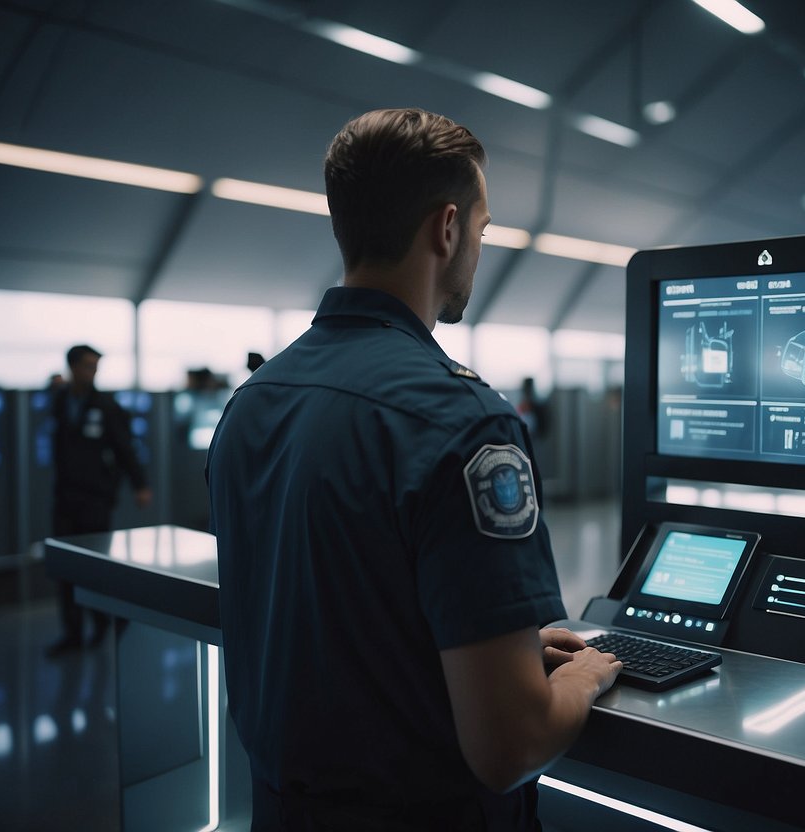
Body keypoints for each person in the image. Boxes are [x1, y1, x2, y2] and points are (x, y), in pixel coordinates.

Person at [207, 108, 621, 831]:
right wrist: (582, 675)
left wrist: (505, 653)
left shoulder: (254, 401)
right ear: (448, 228)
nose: (478, 250)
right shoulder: (464, 423)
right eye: (484, 231)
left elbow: (345, 619)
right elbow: (510, 745)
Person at [46, 344, 153, 656]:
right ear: (73, 367)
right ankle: (73, 632)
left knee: (94, 565)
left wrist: (140, 484)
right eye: (87, 366)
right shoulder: (61, 400)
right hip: (65, 497)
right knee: (66, 566)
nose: (93, 372)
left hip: (95, 499)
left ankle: (102, 621)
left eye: (96, 366)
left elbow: (125, 447)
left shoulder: (106, 405)